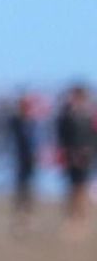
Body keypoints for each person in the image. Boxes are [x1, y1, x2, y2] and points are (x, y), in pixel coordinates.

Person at [55, 83, 95, 239]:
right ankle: (71, 219)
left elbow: (93, 137)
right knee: (71, 188)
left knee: (82, 188)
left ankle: (82, 219)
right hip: (71, 157)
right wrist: (69, 153)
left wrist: (88, 152)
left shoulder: (89, 115)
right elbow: (62, 136)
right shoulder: (66, 115)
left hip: (86, 157)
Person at [7, 92, 39, 235]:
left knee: (29, 190)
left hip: (31, 161)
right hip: (19, 160)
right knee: (21, 190)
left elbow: (36, 142)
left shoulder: (33, 122)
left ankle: (28, 217)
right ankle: (19, 217)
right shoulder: (16, 122)